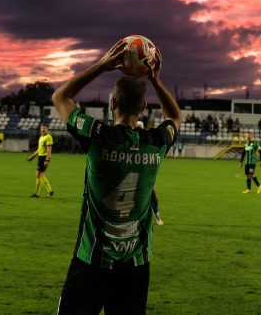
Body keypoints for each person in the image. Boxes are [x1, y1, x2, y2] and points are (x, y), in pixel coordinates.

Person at [51, 38, 181, 315]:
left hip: (91, 262)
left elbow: (60, 97)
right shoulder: (155, 141)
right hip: (135, 265)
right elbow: (175, 117)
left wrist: (101, 66)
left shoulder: (98, 136)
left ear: (112, 103)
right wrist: (156, 80)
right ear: (144, 107)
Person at [27, 123, 55, 198]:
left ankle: (39, 193)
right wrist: (32, 157)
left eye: (44, 128)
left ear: (47, 129)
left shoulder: (48, 137)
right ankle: (49, 191)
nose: (43, 129)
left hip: (44, 158)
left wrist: (47, 160)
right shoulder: (41, 137)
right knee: (39, 175)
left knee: (39, 175)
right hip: (40, 158)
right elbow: (39, 150)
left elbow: (49, 151)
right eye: (42, 128)